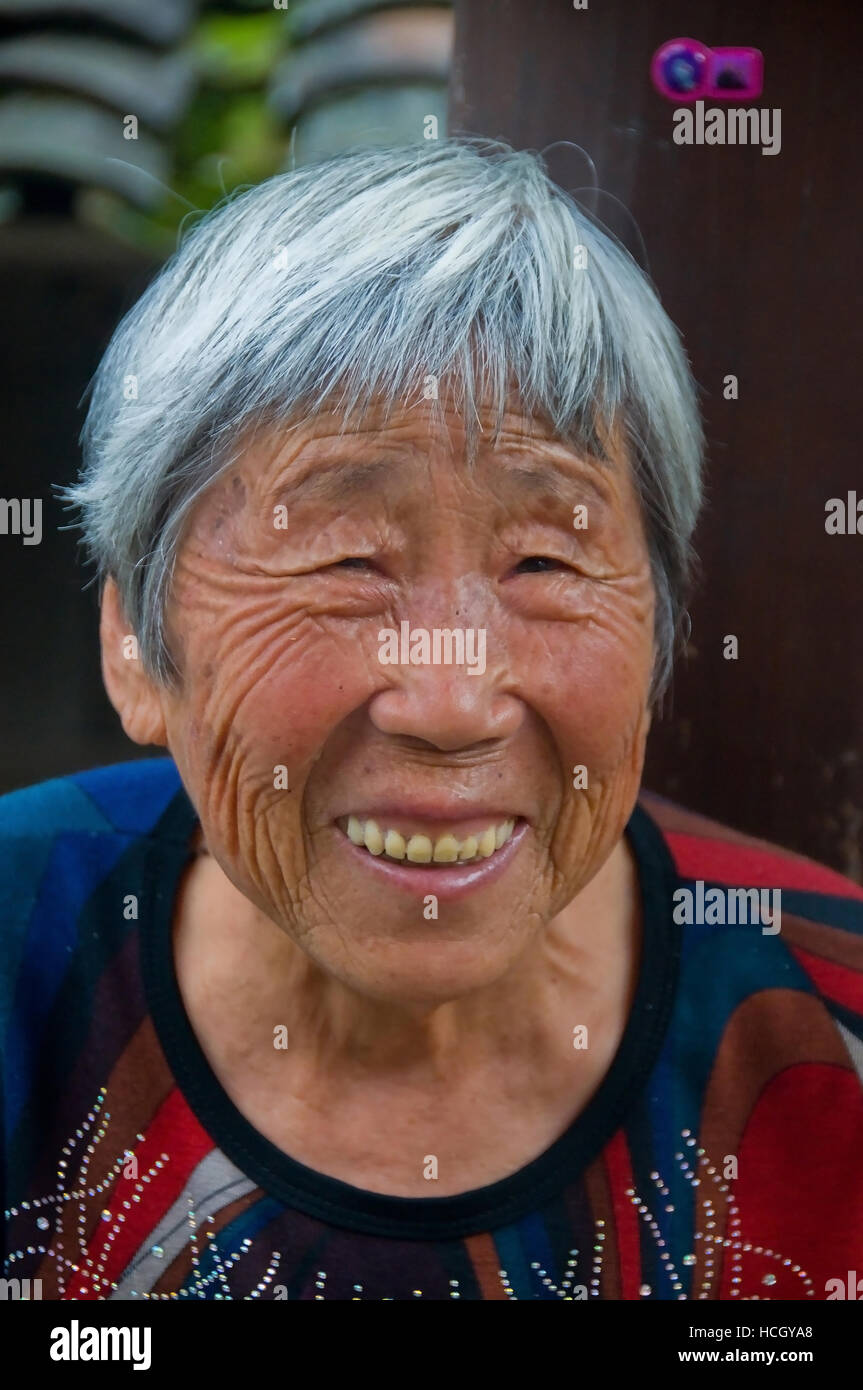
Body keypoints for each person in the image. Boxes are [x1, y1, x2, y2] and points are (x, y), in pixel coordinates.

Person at [2, 140, 861, 1301]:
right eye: (344, 559)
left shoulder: (826, 1021)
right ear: (134, 643)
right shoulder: (21, 949)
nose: (452, 702)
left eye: (547, 560)